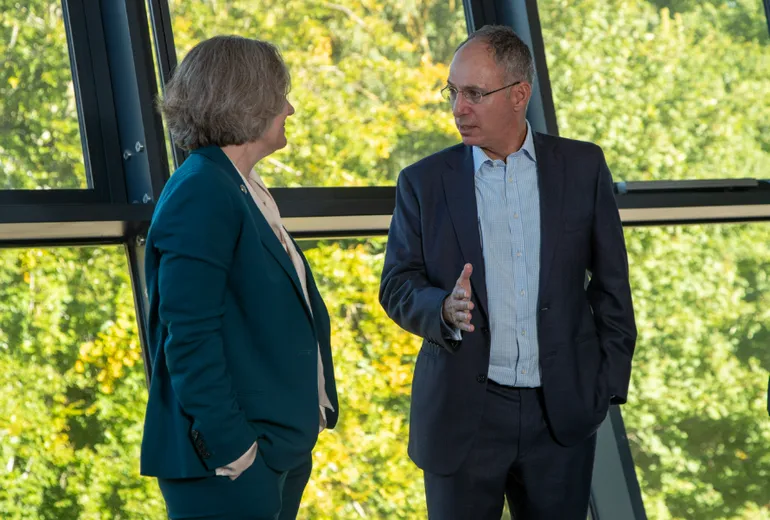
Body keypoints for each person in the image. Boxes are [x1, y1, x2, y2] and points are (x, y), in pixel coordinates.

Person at [379, 25, 636, 520]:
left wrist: (604, 386)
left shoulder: (583, 167)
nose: (459, 108)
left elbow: (612, 287)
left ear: (520, 95)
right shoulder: (423, 182)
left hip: (561, 415)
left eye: (474, 94)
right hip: (463, 416)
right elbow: (397, 284)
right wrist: (443, 309)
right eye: (452, 92)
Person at [140, 35, 338, 520]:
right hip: (228, 468)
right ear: (247, 101)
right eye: (280, 96)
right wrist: (236, 452)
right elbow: (189, 339)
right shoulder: (202, 190)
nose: (289, 109)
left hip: (274, 450)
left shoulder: (239, 185)